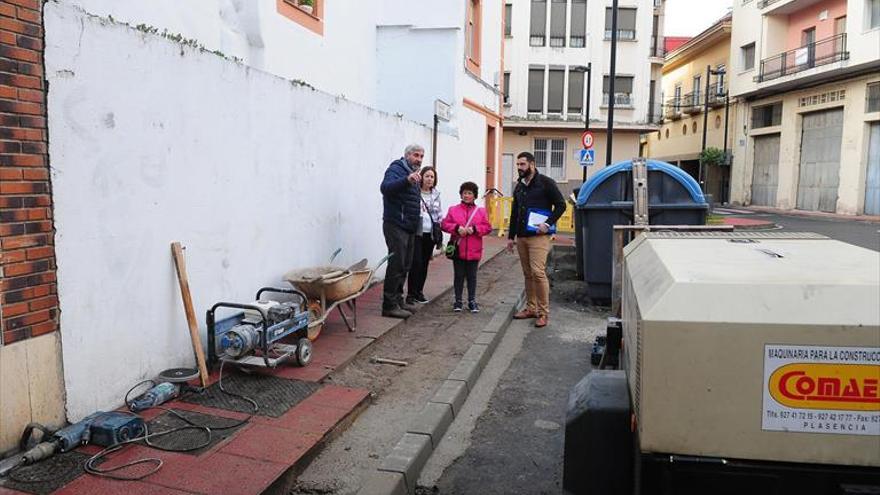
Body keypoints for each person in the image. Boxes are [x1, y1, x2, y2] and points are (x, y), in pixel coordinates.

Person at [506, 151, 567, 328]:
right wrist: (511, 237)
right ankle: (531, 308)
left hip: (539, 236)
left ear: (532, 164)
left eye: (522, 164)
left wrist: (547, 224)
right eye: (518, 165)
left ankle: (543, 312)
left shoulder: (546, 183)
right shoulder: (519, 186)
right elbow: (514, 212)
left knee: (538, 272)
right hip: (522, 236)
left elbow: (561, 205)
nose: (519, 168)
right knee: (528, 274)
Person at [380, 144, 424, 319]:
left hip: (409, 226)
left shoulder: (414, 174)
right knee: (396, 264)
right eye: (416, 155)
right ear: (407, 155)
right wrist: (406, 180)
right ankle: (389, 305)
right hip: (396, 224)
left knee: (405, 265)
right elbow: (386, 188)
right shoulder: (396, 169)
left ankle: (398, 301)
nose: (419, 159)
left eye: (421, 156)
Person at [441, 181, 492, 313]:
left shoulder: (480, 211)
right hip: (458, 249)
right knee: (458, 275)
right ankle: (458, 301)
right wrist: (457, 228)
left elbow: (487, 228)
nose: (466, 195)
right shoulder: (453, 210)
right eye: (464, 193)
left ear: (474, 195)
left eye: (469, 193)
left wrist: (474, 229)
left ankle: (472, 301)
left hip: (474, 250)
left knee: (472, 276)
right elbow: (445, 224)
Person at [406, 166, 442, 305]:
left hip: (430, 234)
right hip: (417, 233)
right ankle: (411, 293)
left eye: (432, 177)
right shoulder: (415, 192)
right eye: (427, 176)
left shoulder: (436, 194)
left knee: (425, 264)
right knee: (416, 263)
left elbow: (439, 214)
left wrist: (439, 228)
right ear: (421, 177)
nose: (429, 179)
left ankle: (419, 292)